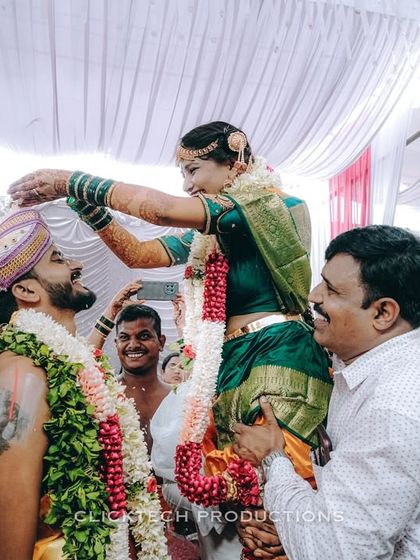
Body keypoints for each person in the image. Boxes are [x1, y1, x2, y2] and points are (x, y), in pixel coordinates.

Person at [8, 122, 332, 554]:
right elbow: (142, 254)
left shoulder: (266, 205)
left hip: (276, 350)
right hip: (227, 361)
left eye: (194, 170)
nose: (187, 184)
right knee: (241, 487)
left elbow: (159, 210)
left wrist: (75, 181)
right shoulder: (212, 232)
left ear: (235, 160)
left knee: (275, 470)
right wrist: (83, 203)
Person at [233, 225, 420, 560]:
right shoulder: (362, 365)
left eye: (332, 290)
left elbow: (335, 550)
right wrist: (291, 527)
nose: (313, 296)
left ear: (383, 313)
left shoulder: (390, 408)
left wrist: (273, 458)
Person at [0, 209, 167, 560]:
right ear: (27, 289)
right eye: (58, 259)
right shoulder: (21, 378)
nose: (77, 262)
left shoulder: (66, 364)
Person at [114, 303, 171, 455]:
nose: (133, 345)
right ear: (116, 344)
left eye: (143, 336)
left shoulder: (176, 398)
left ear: (161, 342)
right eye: (124, 338)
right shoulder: (104, 394)